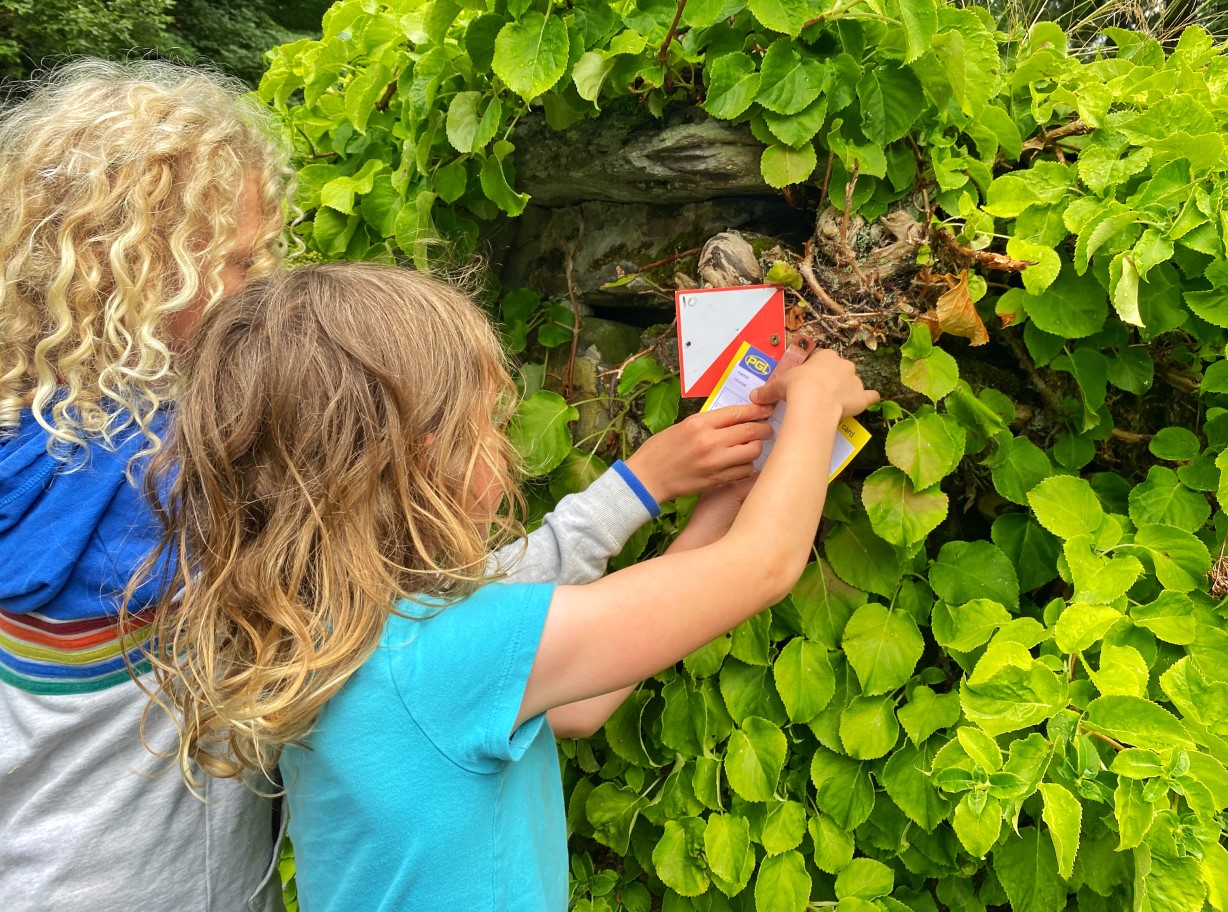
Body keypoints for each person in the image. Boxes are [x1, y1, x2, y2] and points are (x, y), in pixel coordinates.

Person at [141, 262, 879, 912]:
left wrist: (729, 497)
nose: (503, 443)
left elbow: (583, 706)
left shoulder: (333, 626)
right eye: (487, 424)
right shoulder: (453, 648)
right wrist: (814, 401)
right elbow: (766, 565)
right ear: (426, 464)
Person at [0, 58, 289, 912]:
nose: (257, 288)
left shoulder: (27, 424)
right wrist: (638, 488)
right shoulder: (169, 471)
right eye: (238, 265)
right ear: (135, 267)